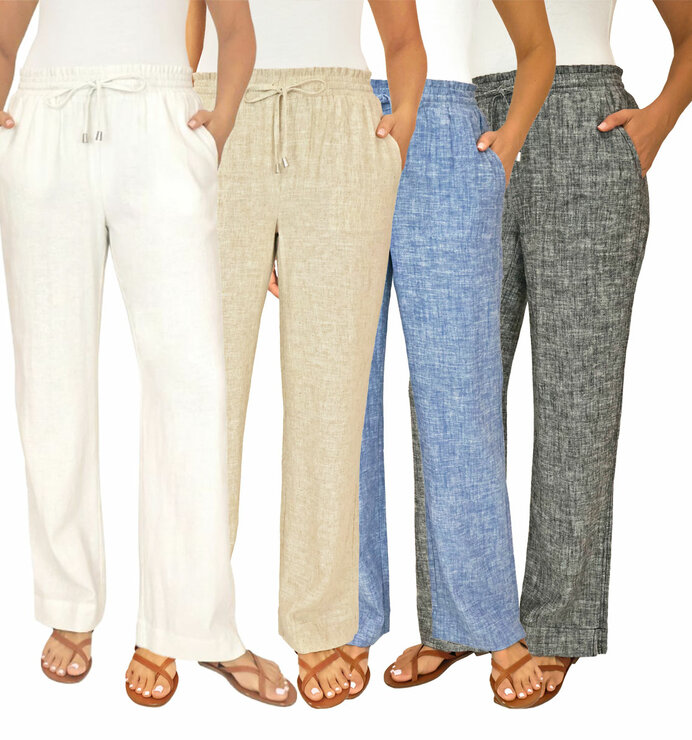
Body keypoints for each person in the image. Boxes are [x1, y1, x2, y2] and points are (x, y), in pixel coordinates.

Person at [0, 0, 294, 707]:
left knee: (193, 385)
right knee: (50, 384)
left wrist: (221, 125)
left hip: (162, 123)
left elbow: (235, 30)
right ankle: (69, 601)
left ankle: (194, 621)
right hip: (45, 123)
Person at [412, 0, 692, 705]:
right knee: (451, 390)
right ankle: (462, 613)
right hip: (465, 119)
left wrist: (660, 118)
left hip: (583, 124)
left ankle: (557, 621)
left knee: (578, 399)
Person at [192, 0, 425, 709]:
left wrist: (399, 132)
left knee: (331, 398)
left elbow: (403, 37)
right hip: (219, 113)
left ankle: (320, 620)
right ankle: (186, 608)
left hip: (339, 125)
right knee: (199, 392)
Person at [347, 0, 556, 707]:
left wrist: (507, 146)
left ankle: (488, 620)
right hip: (336, 118)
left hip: (445, 135)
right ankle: (347, 616)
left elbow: (538, 48)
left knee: (461, 400)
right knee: (342, 399)